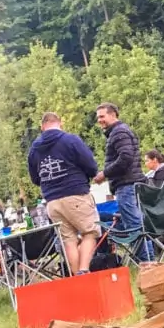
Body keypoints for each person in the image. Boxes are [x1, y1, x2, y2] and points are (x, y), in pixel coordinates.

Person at [28, 112, 102, 275]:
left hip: (52, 202)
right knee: (90, 232)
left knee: (69, 240)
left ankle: (77, 279)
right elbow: (91, 165)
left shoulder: (34, 149)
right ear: (59, 123)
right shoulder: (70, 140)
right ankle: (83, 271)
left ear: (42, 126)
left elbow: (35, 178)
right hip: (75, 194)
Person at [93, 103, 153, 263]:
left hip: (126, 185)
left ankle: (146, 262)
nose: (99, 120)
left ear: (113, 115)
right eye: (98, 117)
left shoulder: (119, 132)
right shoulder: (119, 132)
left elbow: (125, 157)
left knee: (134, 226)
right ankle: (149, 259)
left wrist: (104, 173)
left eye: (102, 116)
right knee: (137, 224)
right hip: (129, 184)